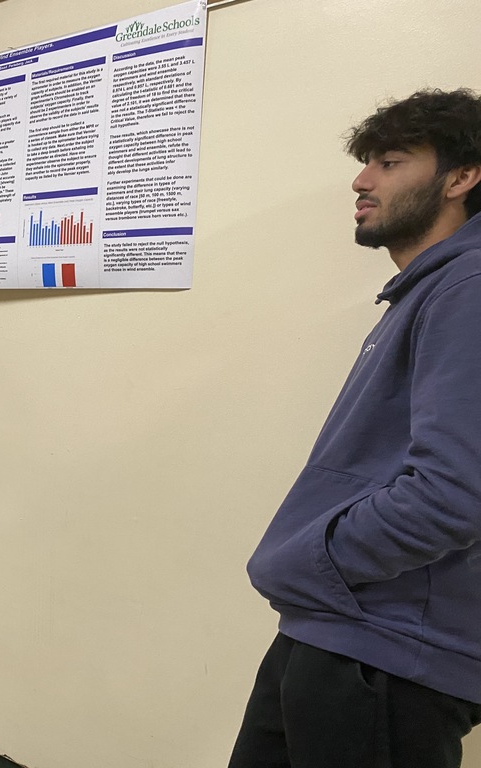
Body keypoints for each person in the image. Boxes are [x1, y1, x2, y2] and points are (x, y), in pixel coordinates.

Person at [230, 88, 481, 767]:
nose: (361, 180)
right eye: (367, 161)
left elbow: (454, 494)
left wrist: (312, 560)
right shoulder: (431, 289)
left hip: (388, 658)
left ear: (462, 178)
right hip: (339, 637)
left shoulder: (469, 288)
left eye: (390, 162)